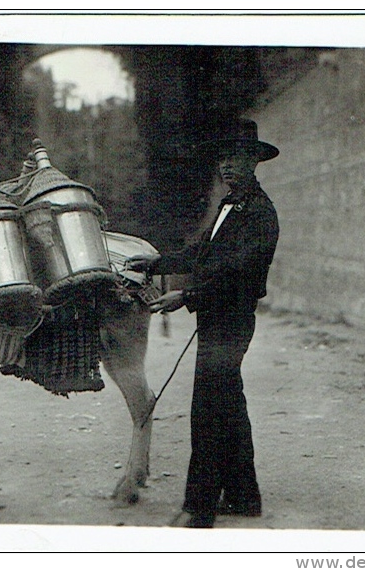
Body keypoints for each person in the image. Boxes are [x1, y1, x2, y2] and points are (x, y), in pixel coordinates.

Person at [127, 118, 280, 528]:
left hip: (232, 320)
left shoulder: (260, 213)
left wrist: (188, 296)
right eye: (224, 158)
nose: (228, 165)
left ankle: (199, 509)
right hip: (218, 319)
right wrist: (159, 262)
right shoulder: (230, 205)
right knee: (229, 406)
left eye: (238, 158)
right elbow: (203, 254)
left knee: (209, 410)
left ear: (254, 162)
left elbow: (238, 272)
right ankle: (245, 497)